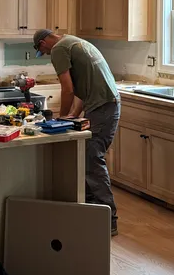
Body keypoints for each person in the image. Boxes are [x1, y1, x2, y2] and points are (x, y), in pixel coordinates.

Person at [33, 29, 120, 235]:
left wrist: (61, 119)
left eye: (43, 51)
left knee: (91, 159)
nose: (46, 54)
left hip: (102, 107)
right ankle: (90, 214)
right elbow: (81, 89)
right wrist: (73, 115)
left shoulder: (58, 49)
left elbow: (68, 89)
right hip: (107, 105)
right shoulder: (74, 42)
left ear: (43, 42)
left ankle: (108, 220)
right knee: (85, 158)